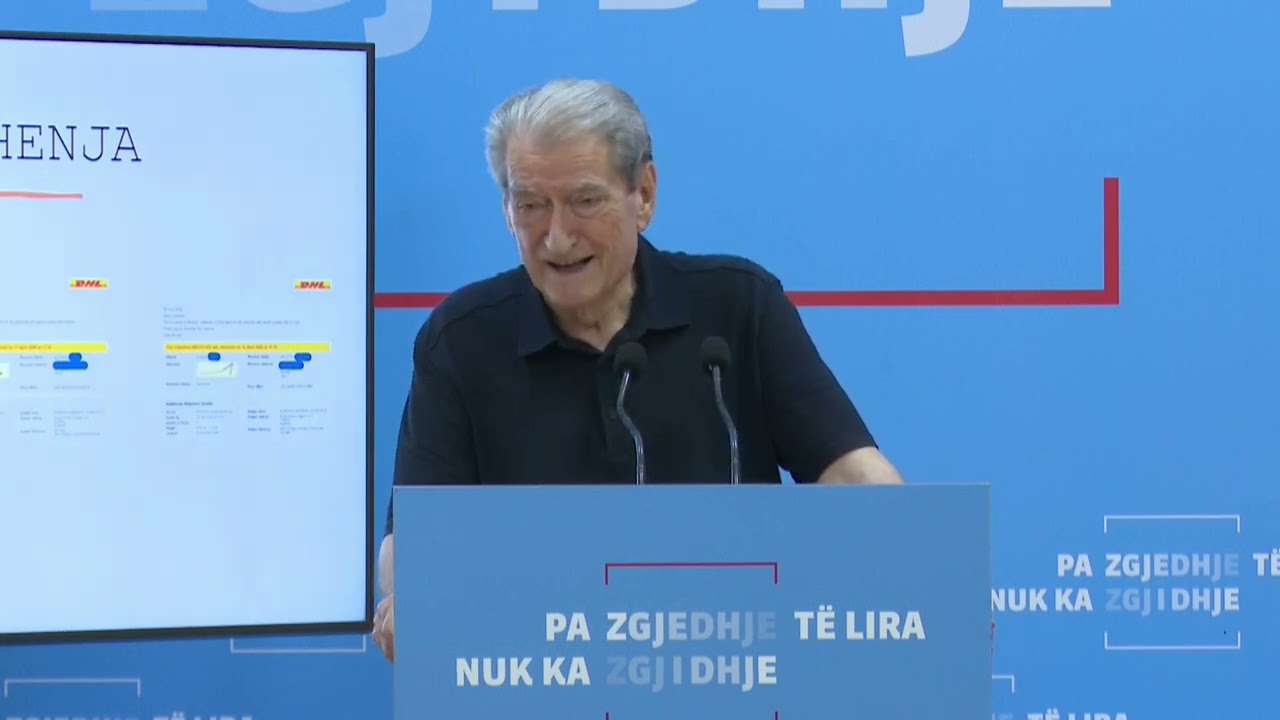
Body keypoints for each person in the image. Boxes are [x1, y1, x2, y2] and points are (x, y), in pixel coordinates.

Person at [371, 78, 903, 661]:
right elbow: (412, 543)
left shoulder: (737, 308)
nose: (557, 238)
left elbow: (853, 476)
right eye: (530, 205)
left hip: (731, 666)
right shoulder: (462, 339)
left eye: (584, 201)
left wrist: (921, 567)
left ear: (643, 194)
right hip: (542, 674)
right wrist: (412, 594)